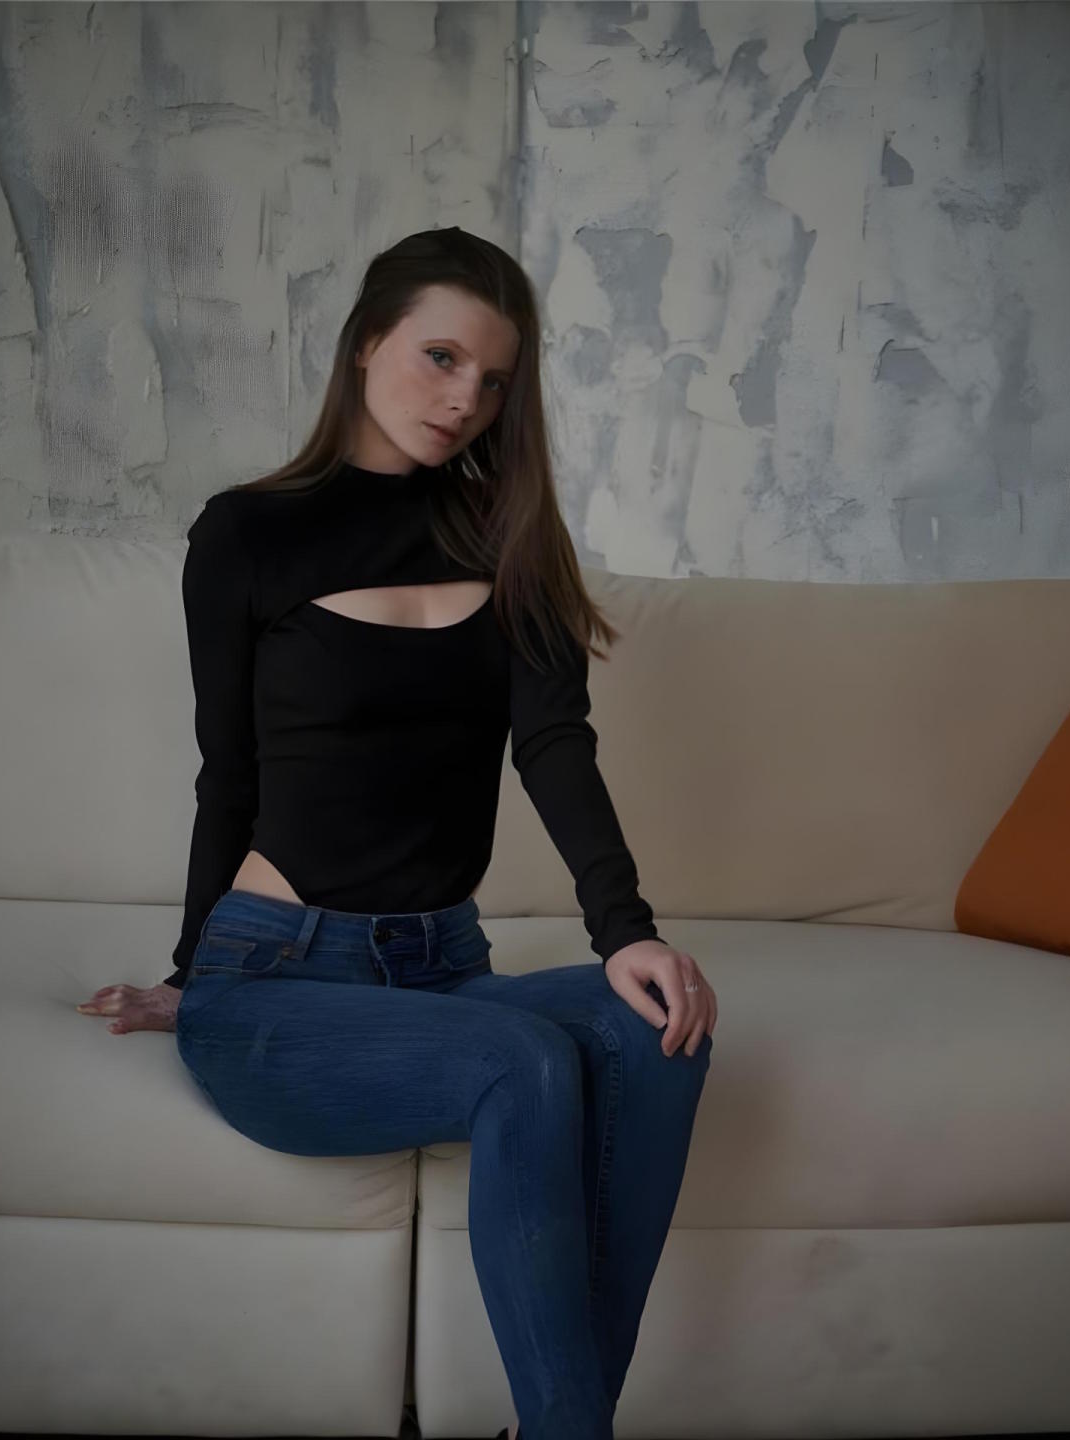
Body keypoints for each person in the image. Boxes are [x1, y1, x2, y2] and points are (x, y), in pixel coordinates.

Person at [76, 226, 717, 1440]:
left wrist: (627, 933)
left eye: (494, 380)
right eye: (440, 357)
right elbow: (229, 777)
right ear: (367, 342)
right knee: (523, 1062)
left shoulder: (507, 537)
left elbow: (555, 746)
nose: (465, 398)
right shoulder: (247, 533)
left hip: (441, 967)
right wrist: (189, 975)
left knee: (660, 1030)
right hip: (274, 977)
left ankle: (559, 1427)